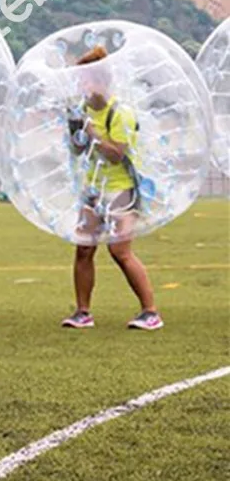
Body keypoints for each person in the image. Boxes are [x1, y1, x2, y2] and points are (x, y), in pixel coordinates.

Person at [61, 45, 163, 331]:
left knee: (120, 251)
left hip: (121, 188)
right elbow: (79, 151)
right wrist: (76, 133)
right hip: (93, 188)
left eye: (85, 79)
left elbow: (117, 154)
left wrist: (91, 131)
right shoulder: (82, 111)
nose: (81, 85)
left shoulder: (120, 113)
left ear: (100, 81)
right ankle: (83, 312)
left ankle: (151, 311)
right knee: (84, 249)